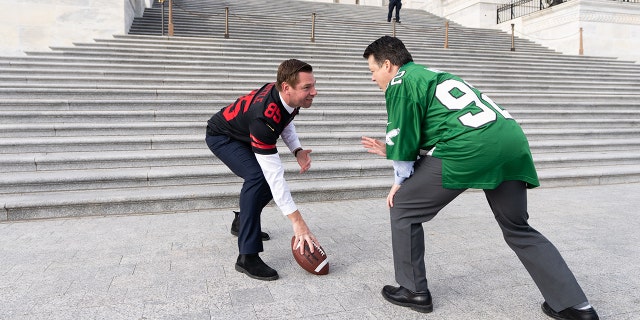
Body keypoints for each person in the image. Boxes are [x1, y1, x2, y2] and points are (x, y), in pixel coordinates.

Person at [360, 36, 599, 319]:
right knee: (518, 227)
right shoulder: (434, 74)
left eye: (373, 71)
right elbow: (444, 123)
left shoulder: (401, 82)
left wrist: (400, 181)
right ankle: (575, 306)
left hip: (471, 147)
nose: (373, 78)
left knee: (403, 207)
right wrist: (397, 151)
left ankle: (413, 290)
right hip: (510, 139)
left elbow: (404, 136)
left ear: (388, 65)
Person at [206, 59, 321, 281]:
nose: (314, 92)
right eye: (307, 87)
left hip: (243, 132)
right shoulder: (264, 118)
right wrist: (298, 223)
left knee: (264, 181)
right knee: (260, 177)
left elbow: (285, 120)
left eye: (313, 85)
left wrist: (297, 150)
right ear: (286, 88)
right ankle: (247, 257)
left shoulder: (285, 94)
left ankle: (242, 221)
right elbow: (274, 175)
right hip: (222, 137)